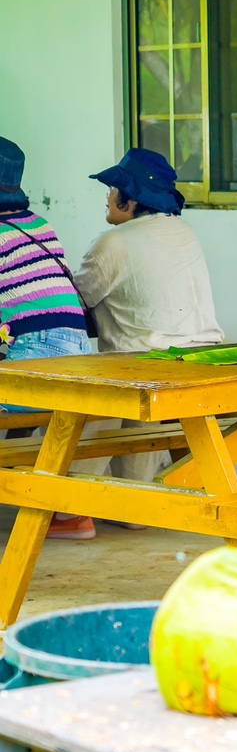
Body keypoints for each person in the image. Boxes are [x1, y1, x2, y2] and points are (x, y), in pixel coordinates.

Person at [75, 148, 223, 489]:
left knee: (91, 398)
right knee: (141, 401)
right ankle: (133, 504)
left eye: (113, 190)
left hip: (146, 365)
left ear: (129, 201)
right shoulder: (184, 232)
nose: (107, 197)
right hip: (200, 359)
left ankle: (70, 506)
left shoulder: (113, 241)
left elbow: (76, 301)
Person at [0, 136, 98, 541]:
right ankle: (58, 509)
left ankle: (51, 506)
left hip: (39, 360)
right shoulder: (39, 225)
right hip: (79, 357)